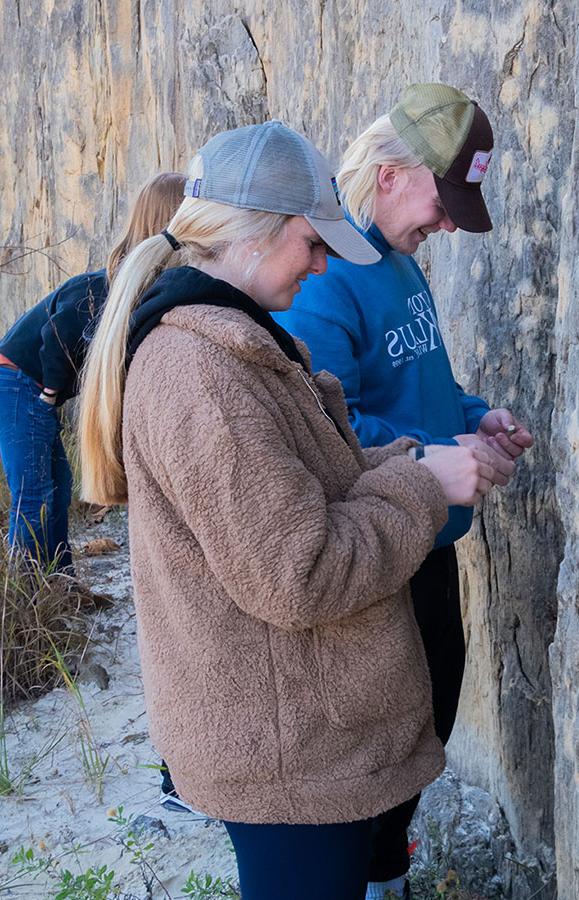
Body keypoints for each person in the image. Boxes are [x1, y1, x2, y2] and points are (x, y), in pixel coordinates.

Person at [77, 120, 502, 900]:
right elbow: (299, 572)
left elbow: (312, 481)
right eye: (310, 241)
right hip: (289, 763)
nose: (318, 261)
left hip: (298, 747)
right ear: (257, 232)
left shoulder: (228, 346)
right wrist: (421, 485)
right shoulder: (202, 373)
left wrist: (417, 459)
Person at [273, 84, 534, 899]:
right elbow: (330, 429)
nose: (448, 224)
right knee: (377, 752)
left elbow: (423, 388)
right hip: (378, 552)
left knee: (428, 728)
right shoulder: (324, 280)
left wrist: (476, 418)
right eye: (441, 200)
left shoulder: (399, 267)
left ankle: (388, 872)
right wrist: (434, 455)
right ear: (389, 174)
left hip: (433, 546)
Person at [0, 173, 186, 571]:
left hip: (24, 382)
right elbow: (57, 332)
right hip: (16, 381)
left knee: (58, 486)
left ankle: (59, 578)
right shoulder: (107, 288)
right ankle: (30, 586)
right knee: (34, 491)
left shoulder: (131, 284)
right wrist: (50, 394)